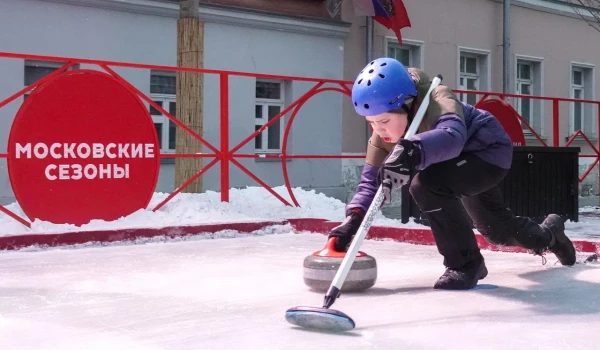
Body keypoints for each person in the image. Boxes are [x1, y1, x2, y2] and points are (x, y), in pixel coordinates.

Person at [329, 57, 577, 290]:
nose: (378, 129)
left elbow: (453, 137)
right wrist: (354, 218)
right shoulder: (382, 136)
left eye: (383, 121)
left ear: (405, 104)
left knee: (426, 184)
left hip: (487, 154)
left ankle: (466, 264)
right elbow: (370, 183)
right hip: (454, 166)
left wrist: (413, 150)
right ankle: (550, 235)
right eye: (371, 122)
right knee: (497, 230)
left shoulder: (437, 97)